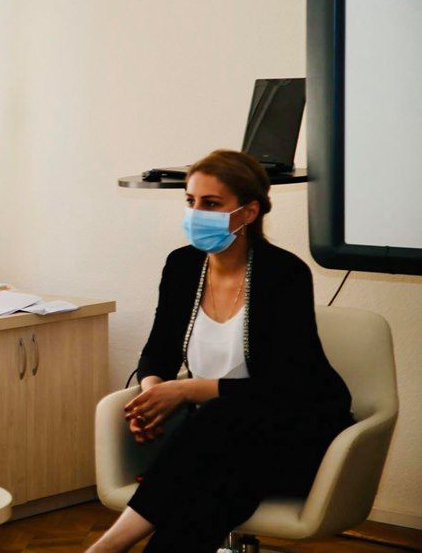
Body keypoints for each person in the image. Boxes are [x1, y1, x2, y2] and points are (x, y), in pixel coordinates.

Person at [87, 150, 354, 553]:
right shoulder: (182, 266)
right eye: (190, 201)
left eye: (211, 204)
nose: (196, 213)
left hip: (299, 434)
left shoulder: (284, 274)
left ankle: (108, 546)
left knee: (217, 422)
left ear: (249, 212)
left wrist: (186, 390)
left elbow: (285, 386)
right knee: (213, 494)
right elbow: (158, 351)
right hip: (223, 447)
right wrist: (153, 394)